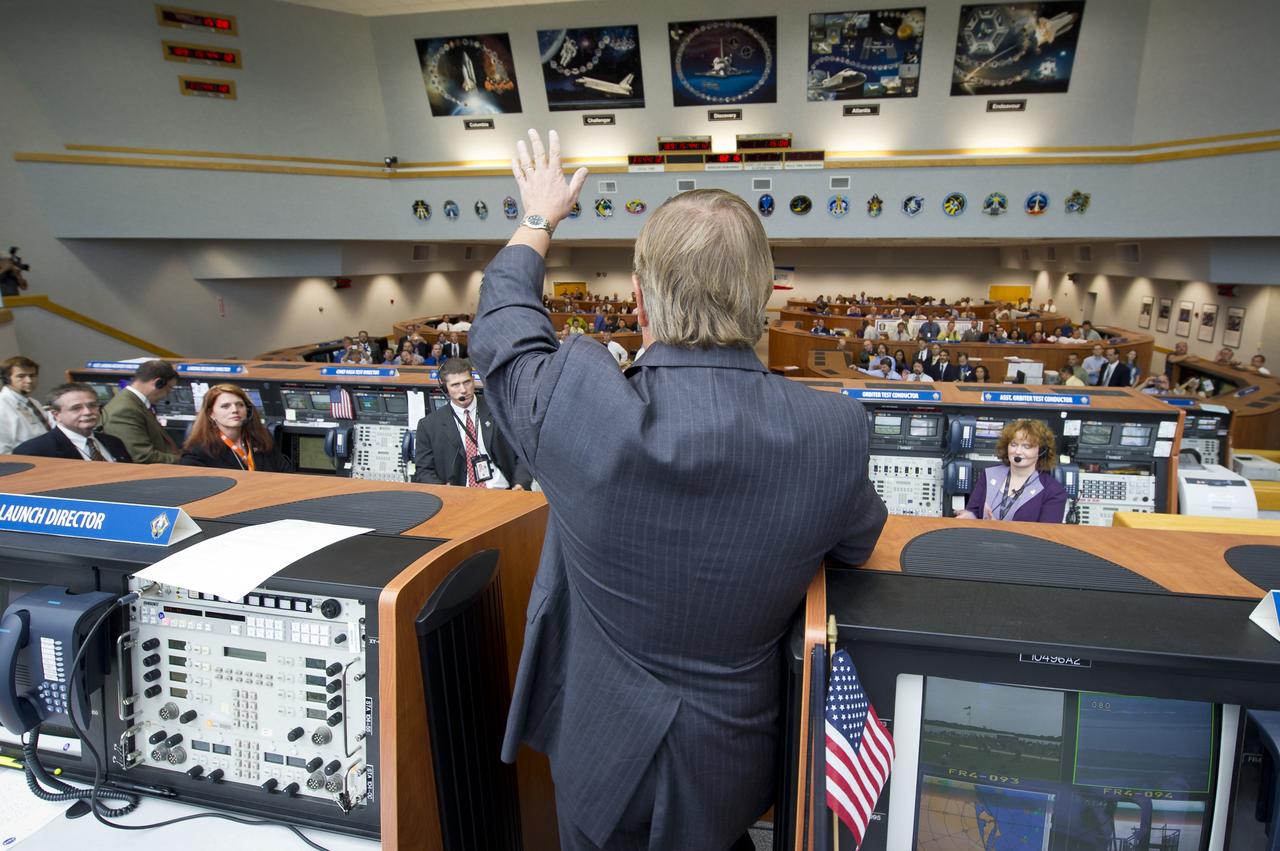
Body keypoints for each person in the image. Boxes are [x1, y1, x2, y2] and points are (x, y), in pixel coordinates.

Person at [475, 130, 886, 851]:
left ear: (638, 299)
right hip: (735, 758)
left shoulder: (579, 406)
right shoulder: (833, 431)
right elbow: (857, 544)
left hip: (598, 749)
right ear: (765, 297)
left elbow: (504, 322)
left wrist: (538, 218)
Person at [412, 357, 531, 490]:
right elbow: (424, 471)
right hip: (459, 497)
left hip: (505, 492)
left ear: (473, 381)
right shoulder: (428, 425)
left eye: (467, 382)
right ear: (445, 388)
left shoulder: (501, 411)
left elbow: (524, 452)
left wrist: (521, 482)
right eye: (455, 385)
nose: (463, 390)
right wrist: (442, 490)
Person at [956, 418, 1068, 523]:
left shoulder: (1054, 491)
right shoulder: (989, 475)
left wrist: (998, 528)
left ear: (1041, 451)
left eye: (1026, 446)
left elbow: (1046, 536)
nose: (1018, 451)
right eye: (1014, 444)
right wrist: (969, 516)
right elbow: (973, 512)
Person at [180, 384, 293, 472]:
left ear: (247, 410)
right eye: (225, 406)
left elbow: (286, 473)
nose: (234, 410)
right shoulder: (198, 451)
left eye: (240, 405)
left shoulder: (262, 438)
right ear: (211, 413)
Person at [14, 382, 131, 462]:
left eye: (92, 405)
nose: (87, 412)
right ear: (56, 414)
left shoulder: (114, 443)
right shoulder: (34, 451)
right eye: (76, 408)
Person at [101, 360, 181, 464]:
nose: (167, 394)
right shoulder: (125, 410)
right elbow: (143, 457)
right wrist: (187, 461)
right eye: (169, 389)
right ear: (158, 383)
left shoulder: (135, 403)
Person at [0, 356, 51, 454]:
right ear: (7, 379)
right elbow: (2, 450)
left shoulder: (33, 402)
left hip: (47, 457)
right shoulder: (2, 406)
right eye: (21, 376)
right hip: (25, 463)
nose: (29, 381)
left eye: (32, 375)